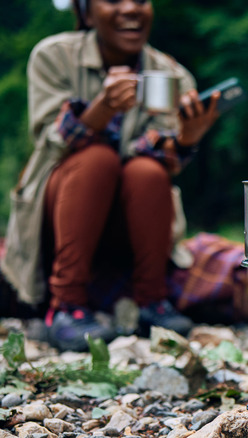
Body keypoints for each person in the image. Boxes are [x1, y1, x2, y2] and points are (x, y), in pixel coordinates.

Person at [0, 0, 221, 352]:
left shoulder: (171, 74)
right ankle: (67, 306)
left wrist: (186, 140)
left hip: (126, 225)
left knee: (147, 171)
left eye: (141, 0)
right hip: (60, 218)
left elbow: (160, 157)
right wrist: (101, 110)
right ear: (86, 11)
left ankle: (152, 302)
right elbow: (50, 140)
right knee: (97, 160)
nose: (131, 9)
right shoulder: (52, 56)